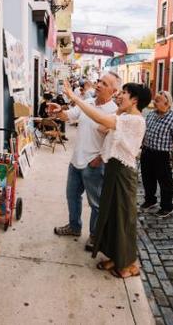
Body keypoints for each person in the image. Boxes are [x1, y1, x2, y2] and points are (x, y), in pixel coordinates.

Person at [63, 80, 152, 278]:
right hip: (113, 170)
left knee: (123, 219)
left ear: (135, 100)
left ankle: (128, 264)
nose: (120, 96)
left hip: (123, 173)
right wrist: (120, 110)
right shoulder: (125, 117)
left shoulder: (135, 120)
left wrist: (75, 98)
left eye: (125, 94)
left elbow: (101, 122)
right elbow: (101, 129)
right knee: (112, 217)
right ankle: (115, 257)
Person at [52, 72, 121, 251]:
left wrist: (98, 160)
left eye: (104, 83)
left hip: (94, 164)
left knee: (95, 203)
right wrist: (59, 111)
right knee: (72, 196)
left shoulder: (114, 111)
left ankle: (94, 235)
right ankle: (74, 227)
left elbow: (112, 142)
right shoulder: (87, 103)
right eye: (99, 81)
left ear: (113, 91)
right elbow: (69, 116)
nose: (98, 84)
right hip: (76, 161)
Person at [140, 91, 173, 218]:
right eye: (154, 100)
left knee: (165, 182)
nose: (154, 102)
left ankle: (167, 207)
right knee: (147, 178)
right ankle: (150, 200)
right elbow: (145, 131)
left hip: (162, 155)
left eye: (157, 100)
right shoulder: (150, 114)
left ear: (166, 103)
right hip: (147, 151)